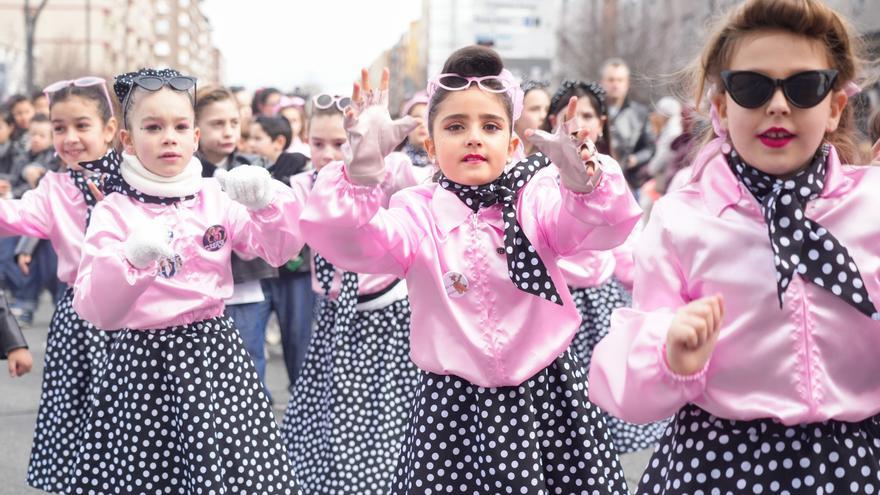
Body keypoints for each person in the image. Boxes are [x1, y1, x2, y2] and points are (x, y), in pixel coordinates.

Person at [300, 45, 640, 494]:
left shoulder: (534, 200)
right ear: (431, 145)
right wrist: (361, 171)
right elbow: (349, 240)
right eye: (456, 126)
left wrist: (585, 184)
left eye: (491, 126)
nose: (474, 137)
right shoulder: (417, 214)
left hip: (548, 395)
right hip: (453, 407)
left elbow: (602, 227)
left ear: (513, 143)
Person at [588, 1, 880, 493]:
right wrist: (671, 354)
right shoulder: (684, 219)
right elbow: (628, 387)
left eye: (805, 87)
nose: (778, 105)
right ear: (721, 106)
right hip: (720, 463)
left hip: (857, 459)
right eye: (752, 86)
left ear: (834, 107)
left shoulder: (873, 205)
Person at [69, 68, 301, 493]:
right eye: (152, 127)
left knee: (230, 473)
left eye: (179, 127)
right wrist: (132, 257)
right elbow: (94, 308)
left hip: (213, 355)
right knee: (148, 473)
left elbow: (278, 250)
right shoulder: (115, 210)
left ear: (195, 137)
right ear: (128, 140)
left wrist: (268, 204)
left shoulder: (216, 195)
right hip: (141, 360)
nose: (168, 137)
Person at [280, 86, 424, 495]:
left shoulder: (387, 172)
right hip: (331, 316)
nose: (327, 153)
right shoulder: (305, 183)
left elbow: (424, 192)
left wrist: (376, 152)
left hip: (385, 312)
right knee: (329, 407)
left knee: (384, 410)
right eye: (317, 143)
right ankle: (329, 481)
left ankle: (385, 479)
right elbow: (285, 229)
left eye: (340, 142)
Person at [0, 76, 117, 492]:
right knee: (76, 420)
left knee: (129, 422)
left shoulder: (137, 179)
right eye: (59, 127)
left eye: (82, 126)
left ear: (109, 129)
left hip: (133, 320)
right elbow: (11, 216)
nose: (69, 137)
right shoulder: (54, 187)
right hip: (77, 319)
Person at [543, 79, 669, 454]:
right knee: (561, 412)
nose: (578, 121)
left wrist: (651, 292)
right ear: (554, 121)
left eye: (587, 115)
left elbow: (624, 241)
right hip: (556, 305)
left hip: (600, 302)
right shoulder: (537, 175)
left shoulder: (609, 172)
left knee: (603, 404)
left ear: (600, 123)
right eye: (570, 114)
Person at [601, 58, 656, 191]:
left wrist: (635, 159)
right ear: (602, 82)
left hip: (628, 182)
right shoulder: (593, 111)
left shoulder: (639, 113)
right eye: (611, 80)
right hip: (597, 180)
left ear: (627, 83)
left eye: (620, 80)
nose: (615, 84)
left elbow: (650, 148)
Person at [515, 79, 551, 156]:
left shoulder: (551, 157)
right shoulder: (503, 153)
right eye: (535, 109)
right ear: (515, 114)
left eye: (547, 110)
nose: (543, 116)